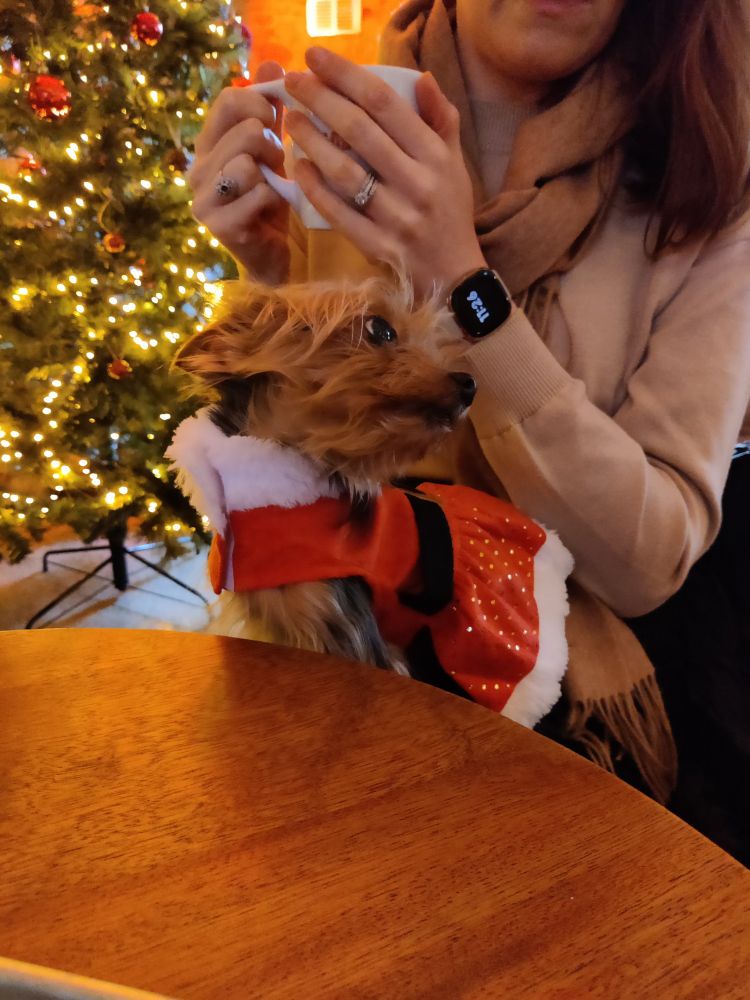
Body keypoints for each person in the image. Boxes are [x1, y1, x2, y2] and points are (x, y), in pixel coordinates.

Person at [187, 0, 750, 823]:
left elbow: (647, 562)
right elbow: (309, 481)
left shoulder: (708, 181)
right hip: (357, 663)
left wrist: (465, 280)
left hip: (608, 701)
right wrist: (270, 273)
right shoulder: (336, 135)